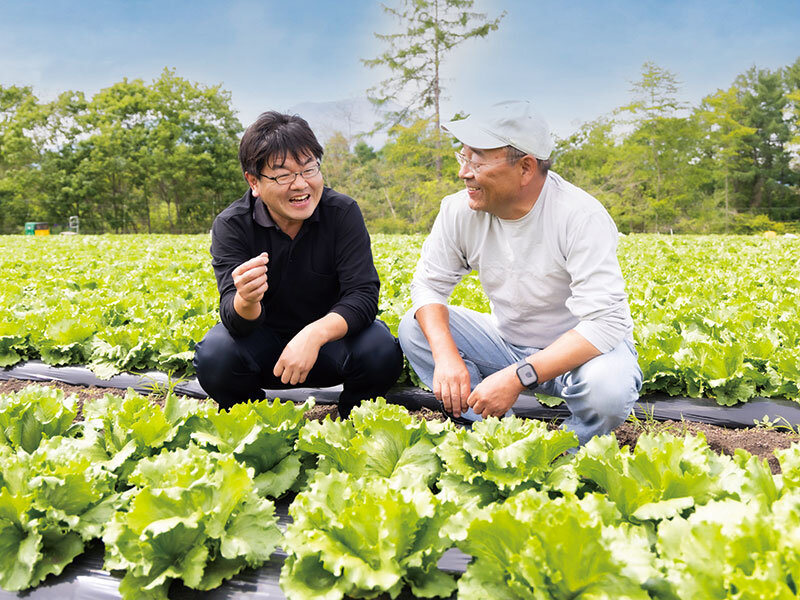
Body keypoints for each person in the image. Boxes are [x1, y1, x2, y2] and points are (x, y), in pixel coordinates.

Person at [398, 100, 642, 444]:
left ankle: (564, 450)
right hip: (506, 342)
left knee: (608, 390)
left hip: (580, 355)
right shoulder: (458, 211)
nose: (463, 172)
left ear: (526, 167)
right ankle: (496, 435)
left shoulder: (579, 216)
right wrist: (446, 356)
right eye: (463, 156)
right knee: (415, 327)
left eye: (477, 159)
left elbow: (605, 324)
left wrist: (516, 378)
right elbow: (429, 286)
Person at [194, 111, 403, 417]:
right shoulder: (232, 224)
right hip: (263, 349)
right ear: (254, 181)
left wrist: (313, 335)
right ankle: (252, 422)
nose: (300, 184)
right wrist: (246, 300)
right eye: (283, 175)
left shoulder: (341, 213)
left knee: (380, 349)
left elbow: (363, 297)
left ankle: (353, 420)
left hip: (329, 346)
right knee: (216, 355)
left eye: (309, 169)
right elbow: (233, 317)